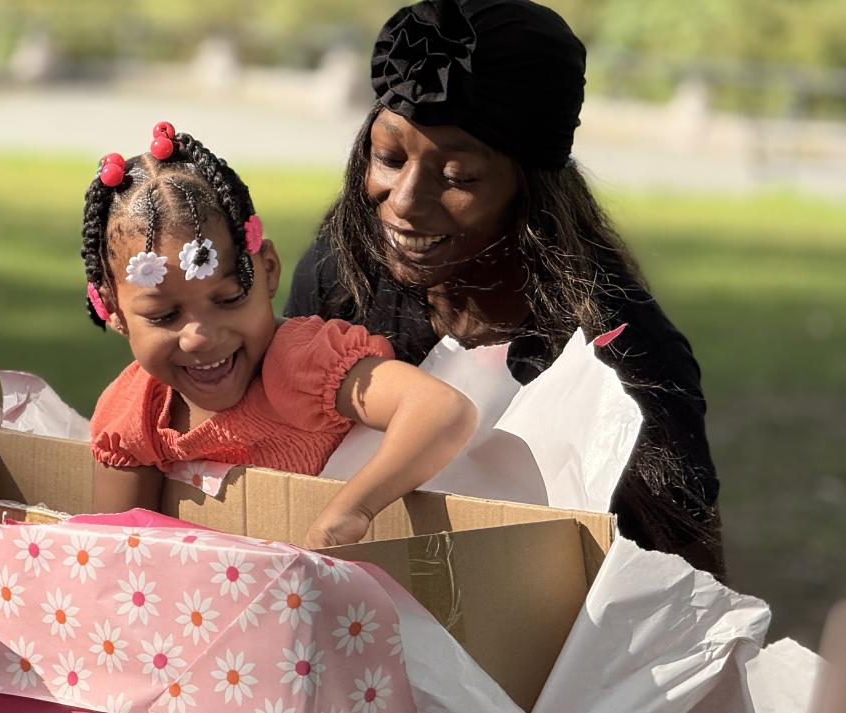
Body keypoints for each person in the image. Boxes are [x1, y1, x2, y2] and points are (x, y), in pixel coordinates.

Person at [285, 0, 725, 576]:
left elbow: (685, 583)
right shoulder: (341, 279)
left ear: (530, 188)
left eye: (458, 177)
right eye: (388, 157)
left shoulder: (622, 349)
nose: (405, 202)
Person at [82, 121, 478, 548]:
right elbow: (117, 553)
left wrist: (350, 513)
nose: (199, 336)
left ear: (268, 270)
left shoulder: (301, 362)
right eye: (163, 316)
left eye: (229, 298)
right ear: (114, 312)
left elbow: (441, 411)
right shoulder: (136, 413)